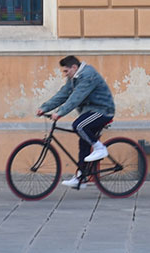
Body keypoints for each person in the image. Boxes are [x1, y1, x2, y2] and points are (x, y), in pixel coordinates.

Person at [37, 55, 116, 189]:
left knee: (79, 125)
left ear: (74, 67)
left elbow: (76, 98)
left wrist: (60, 113)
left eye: (66, 71)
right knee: (83, 142)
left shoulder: (87, 75)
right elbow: (63, 94)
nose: (65, 74)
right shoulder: (74, 78)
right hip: (90, 111)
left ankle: (100, 148)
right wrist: (44, 108)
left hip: (103, 111)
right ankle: (81, 177)